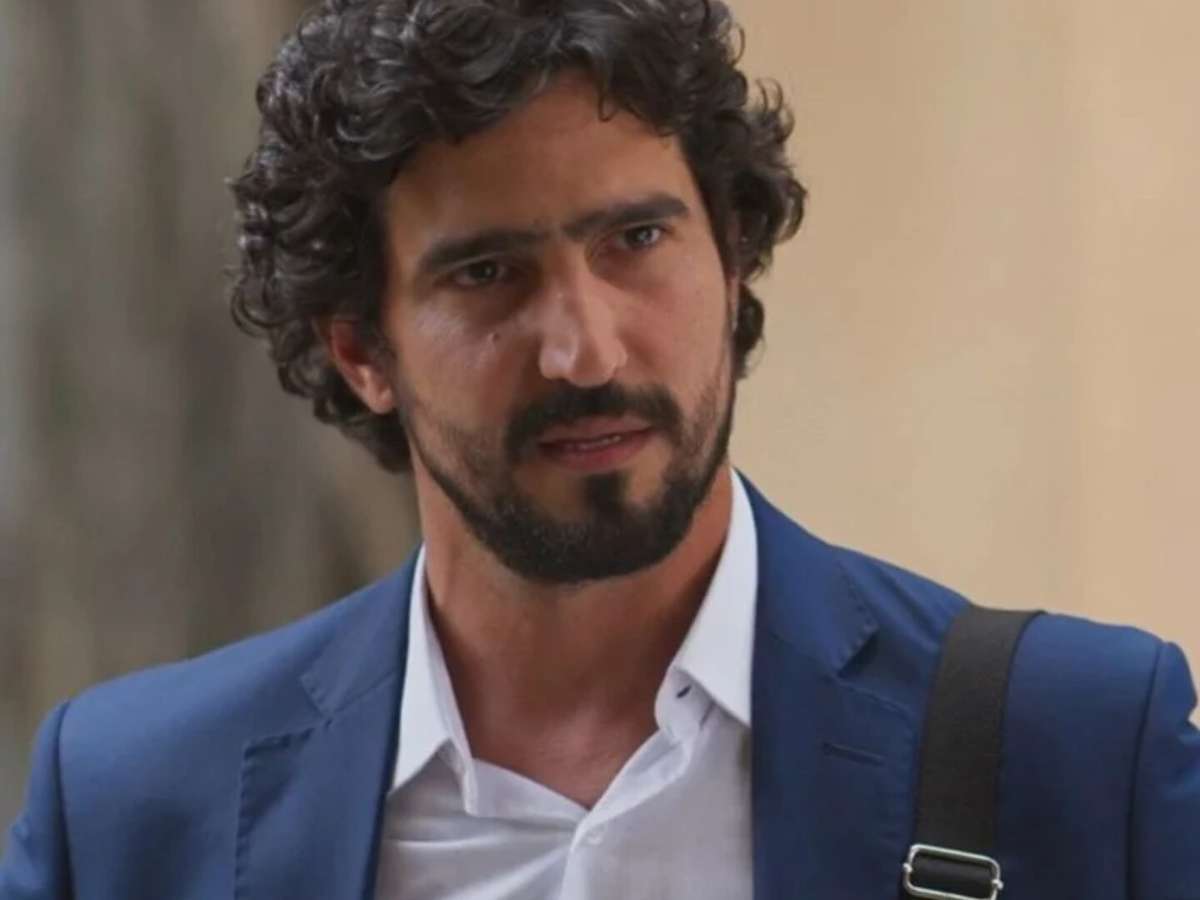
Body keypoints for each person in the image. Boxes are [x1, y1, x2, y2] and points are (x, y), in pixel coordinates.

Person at [2, 0, 1197, 897]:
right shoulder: (133, 808)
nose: (584, 349)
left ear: (733, 260)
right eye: (488, 272)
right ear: (362, 346)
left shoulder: (1075, 747)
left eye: (636, 240)